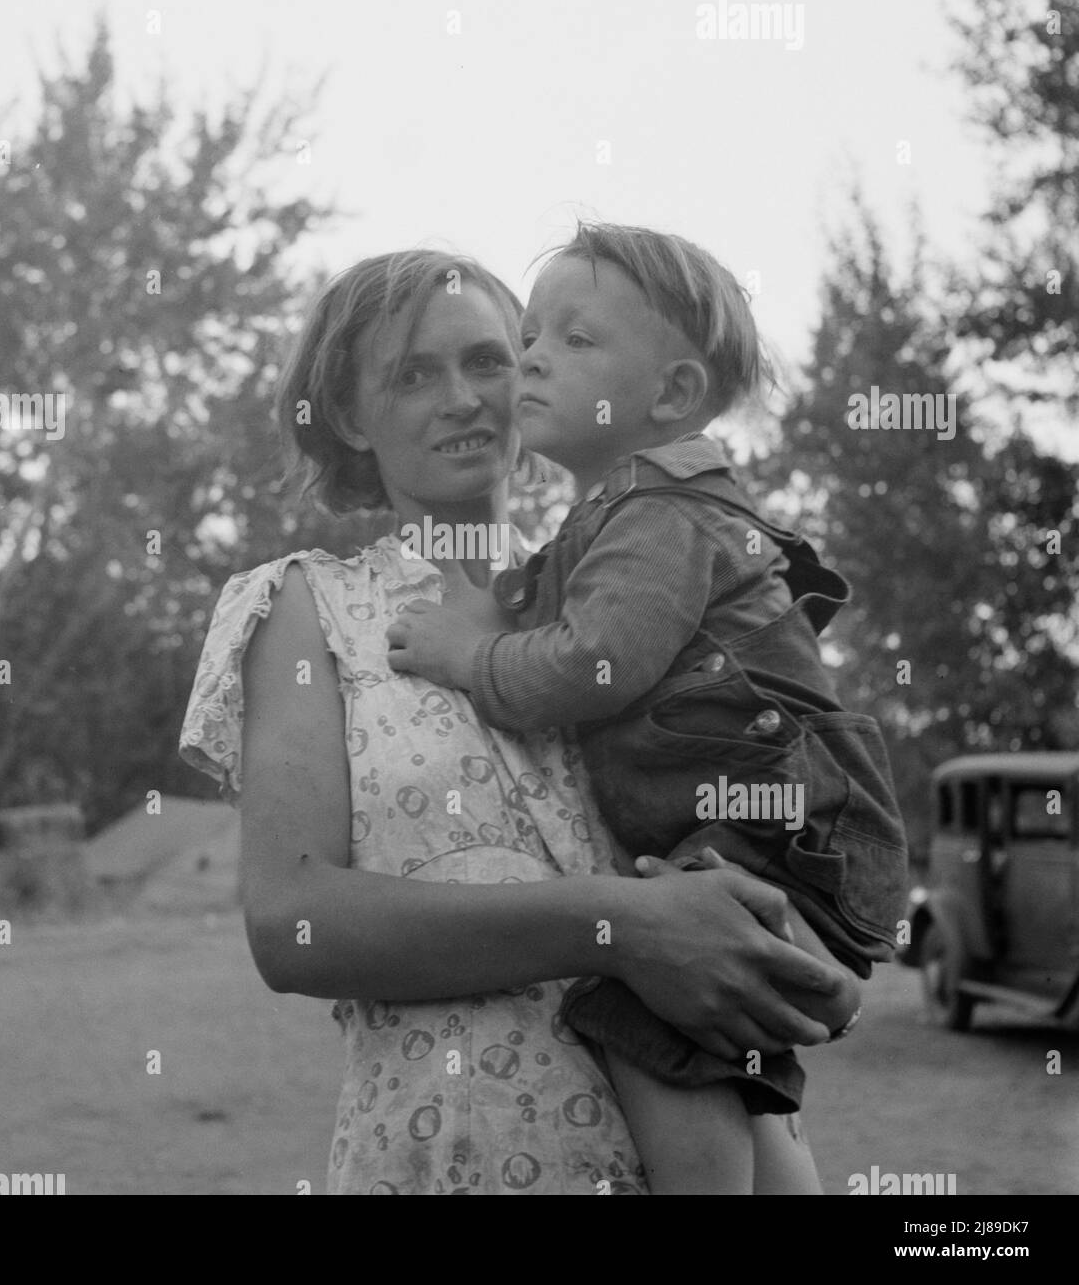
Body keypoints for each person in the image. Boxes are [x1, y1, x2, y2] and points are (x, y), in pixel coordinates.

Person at [179, 248, 854, 1195]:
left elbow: (757, 818)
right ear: (346, 414)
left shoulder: (625, 598)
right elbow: (292, 924)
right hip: (443, 1157)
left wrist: (796, 945)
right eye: (413, 373)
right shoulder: (305, 609)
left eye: (489, 360)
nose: (463, 399)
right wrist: (619, 926)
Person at [386, 224, 908, 1194]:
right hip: (758, 832)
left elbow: (590, 666)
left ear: (668, 396)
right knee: (712, 1046)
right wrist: (490, 606)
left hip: (783, 823)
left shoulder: (662, 517)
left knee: (647, 1021)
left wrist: (470, 655)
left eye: (576, 341)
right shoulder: (610, 520)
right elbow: (548, 606)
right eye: (533, 333)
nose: (535, 353)